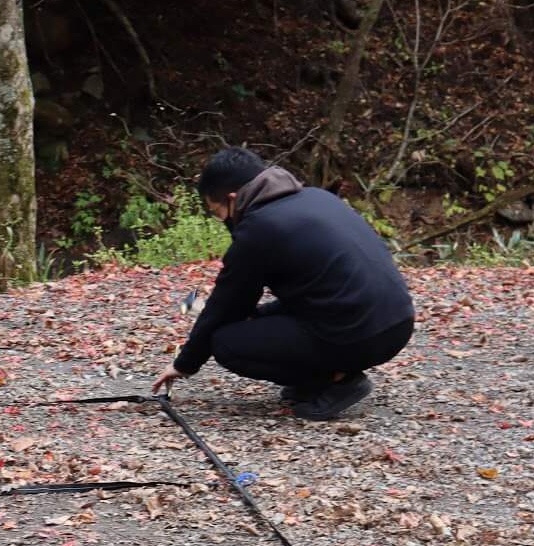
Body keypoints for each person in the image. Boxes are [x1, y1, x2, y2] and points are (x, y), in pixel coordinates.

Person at [151, 147, 414, 421]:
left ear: (232, 199)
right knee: (254, 322)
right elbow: (316, 291)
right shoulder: (317, 197)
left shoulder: (258, 229)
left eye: (217, 212)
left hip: (360, 335)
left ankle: (337, 381)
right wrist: (259, 315)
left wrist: (184, 364)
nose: (222, 221)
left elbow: (225, 307)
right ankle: (323, 375)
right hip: (398, 323)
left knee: (225, 343)